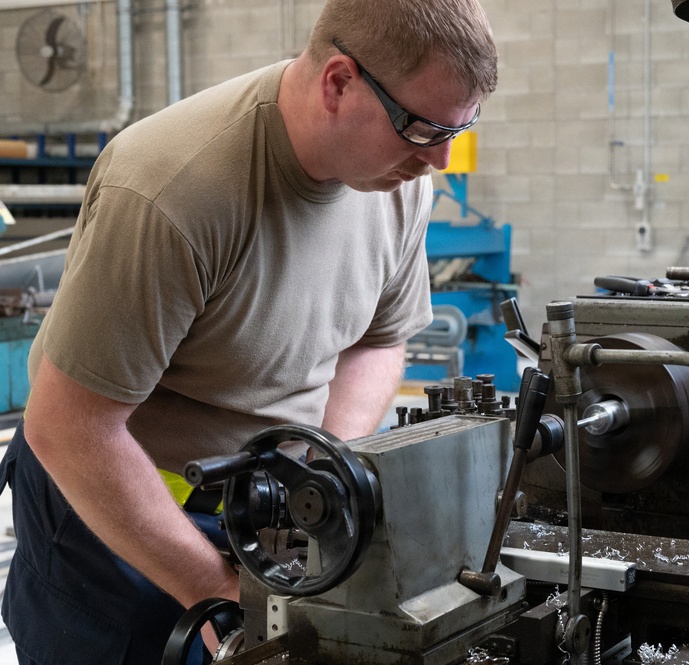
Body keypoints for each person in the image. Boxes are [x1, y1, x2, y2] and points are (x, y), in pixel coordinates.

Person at [0, 0, 497, 662]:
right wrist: (215, 592)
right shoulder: (171, 189)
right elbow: (69, 427)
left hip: (270, 510)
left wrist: (325, 465)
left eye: (458, 130)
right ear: (339, 82)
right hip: (118, 510)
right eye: (423, 127)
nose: (439, 160)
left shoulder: (395, 179)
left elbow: (380, 338)